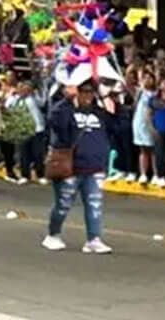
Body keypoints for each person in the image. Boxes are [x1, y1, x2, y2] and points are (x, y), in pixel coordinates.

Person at [41, 68, 117, 254]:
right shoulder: (66, 111)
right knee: (63, 203)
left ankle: (94, 238)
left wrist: (112, 101)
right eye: (84, 91)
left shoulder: (99, 113)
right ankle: (53, 234)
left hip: (94, 166)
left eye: (91, 92)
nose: (88, 95)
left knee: (95, 204)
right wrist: (68, 100)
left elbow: (119, 126)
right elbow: (55, 121)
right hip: (70, 166)